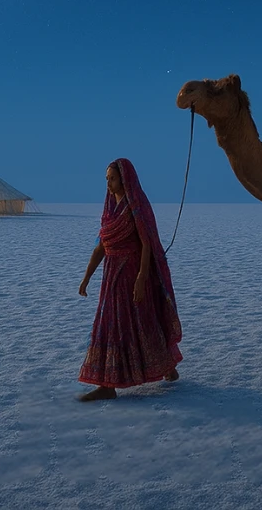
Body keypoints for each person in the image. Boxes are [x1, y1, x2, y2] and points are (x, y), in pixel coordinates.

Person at [77, 158, 183, 401]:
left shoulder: (135, 205)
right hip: (111, 275)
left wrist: (141, 277)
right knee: (112, 324)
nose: (108, 184)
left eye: (112, 179)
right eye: (106, 179)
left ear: (124, 179)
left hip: (133, 271)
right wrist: (86, 278)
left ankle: (115, 383)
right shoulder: (109, 210)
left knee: (140, 321)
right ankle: (112, 382)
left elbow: (147, 243)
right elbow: (101, 246)